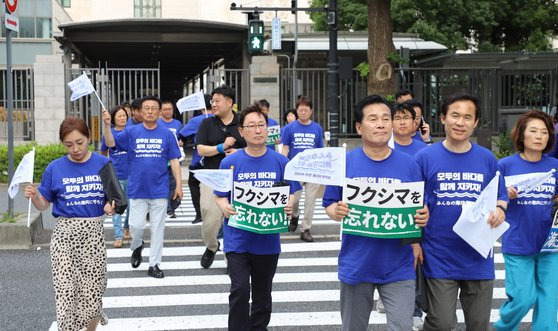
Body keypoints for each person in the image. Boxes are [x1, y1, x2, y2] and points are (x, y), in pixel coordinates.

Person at [322, 95, 429, 331]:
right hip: (356, 263)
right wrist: (336, 211)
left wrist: (423, 219)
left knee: (402, 326)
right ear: (359, 127)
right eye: (373, 119)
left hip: (398, 264)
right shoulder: (344, 163)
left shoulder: (409, 165)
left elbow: (420, 207)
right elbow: (329, 203)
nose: (381, 124)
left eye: (385, 118)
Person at [414, 93, 508, 330]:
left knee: (478, 324)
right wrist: (415, 239)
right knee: (442, 322)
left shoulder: (487, 158)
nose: (460, 122)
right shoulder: (424, 157)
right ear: (443, 118)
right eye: (455, 115)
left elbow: (501, 196)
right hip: (438, 254)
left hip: (478, 255)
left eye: (468, 117)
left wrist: (499, 210)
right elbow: (411, 203)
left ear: (475, 123)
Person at [215, 103, 301, 331]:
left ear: (268, 129)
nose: (257, 130)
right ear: (241, 131)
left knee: (263, 294)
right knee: (240, 290)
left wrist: (289, 205)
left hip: (268, 242)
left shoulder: (281, 162)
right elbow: (220, 195)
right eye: (251, 126)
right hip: (237, 239)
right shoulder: (229, 162)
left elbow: (292, 192)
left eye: (261, 125)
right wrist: (225, 206)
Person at [24, 117, 114, 331]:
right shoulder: (55, 168)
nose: (75, 149)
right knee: (66, 291)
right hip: (64, 236)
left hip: (93, 235)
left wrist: (111, 207)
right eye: (69, 144)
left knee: (93, 290)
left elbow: (114, 198)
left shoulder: (103, 163)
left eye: (80, 142)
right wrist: (34, 195)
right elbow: (43, 204)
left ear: (89, 138)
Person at [103, 96, 183, 279]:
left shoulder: (166, 134)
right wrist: (107, 126)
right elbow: (110, 143)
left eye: (154, 108)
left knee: (157, 229)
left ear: (159, 111)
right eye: (146, 108)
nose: (150, 111)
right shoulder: (132, 132)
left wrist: (178, 185)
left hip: (160, 190)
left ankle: (154, 264)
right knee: (136, 227)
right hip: (137, 189)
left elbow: (174, 161)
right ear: (140, 111)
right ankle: (137, 246)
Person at [494, 110, 558, 331]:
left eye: (544, 132)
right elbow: (492, 200)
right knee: (523, 298)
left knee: (549, 301)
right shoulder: (505, 165)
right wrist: (504, 196)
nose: (539, 136)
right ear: (521, 135)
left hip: (551, 243)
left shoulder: (555, 166)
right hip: (518, 241)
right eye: (533, 131)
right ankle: (503, 327)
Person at [196, 85, 246, 268]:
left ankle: (230, 259)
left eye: (217, 101)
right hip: (212, 176)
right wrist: (221, 147)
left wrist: (239, 152)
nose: (213, 104)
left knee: (234, 219)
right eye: (212, 101)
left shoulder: (242, 121)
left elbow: (254, 146)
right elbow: (200, 149)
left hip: (238, 179)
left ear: (230, 102)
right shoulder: (207, 123)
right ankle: (211, 246)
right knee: (210, 219)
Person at [281, 96, 324, 242]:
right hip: (295, 170)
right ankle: (294, 214)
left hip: (312, 170)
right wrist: (283, 166)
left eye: (306, 110)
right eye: (301, 110)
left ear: (311, 111)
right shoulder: (289, 128)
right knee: (294, 198)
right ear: (297, 110)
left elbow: (319, 150)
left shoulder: (317, 128)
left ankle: (306, 229)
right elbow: (285, 147)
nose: (303, 112)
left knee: (310, 200)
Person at [179, 94, 214, 224]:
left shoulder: (197, 120)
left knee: (193, 184)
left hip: (199, 160)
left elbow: (182, 135)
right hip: (218, 160)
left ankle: (199, 213)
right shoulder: (220, 118)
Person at [100, 105, 131, 247]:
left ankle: (127, 227)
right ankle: (118, 236)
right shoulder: (108, 133)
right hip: (116, 176)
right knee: (116, 205)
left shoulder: (131, 132)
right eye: (119, 116)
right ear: (113, 118)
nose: (122, 118)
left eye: (124, 115)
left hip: (131, 175)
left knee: (131, 206)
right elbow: (103, 152)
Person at [158, 100, 184, 219]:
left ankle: (171, 207)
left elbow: (183, 137)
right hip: (161, 160)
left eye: (170, 109)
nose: (167, 111)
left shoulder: (178, 123)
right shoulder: (158, 123)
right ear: (161, 111)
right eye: (165, 109)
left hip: (174, 160)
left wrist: (181, 142)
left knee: (173, 186)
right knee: (164, 185)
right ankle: (168, 209)